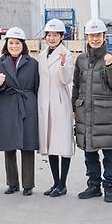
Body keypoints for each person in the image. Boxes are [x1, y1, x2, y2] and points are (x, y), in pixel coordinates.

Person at [73, 19, 112, 202]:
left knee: (109, 153)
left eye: (98, 35)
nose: (94, 39)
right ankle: (94, 185)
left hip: (106, 114)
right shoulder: (81, 60)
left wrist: (110, 67)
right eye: (91, 35)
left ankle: (109, 187)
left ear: (104, 37)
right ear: (87, 37)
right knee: (90, 152)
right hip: (85, 114)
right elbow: (76, 86)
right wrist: (75, 109)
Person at [0, 27, 40, 196]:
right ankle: (12, 184)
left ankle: (28, 185)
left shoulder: (33, 63)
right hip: (6, 105)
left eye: (17, 43)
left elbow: (36, 86)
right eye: (11, 43)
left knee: (27, 146)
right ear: (6, 44)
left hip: (27, 105)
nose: (14, 46)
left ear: (23, 45)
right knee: (9, 146)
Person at [37, 19, 75, 197]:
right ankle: (55, 182)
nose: (51, 38)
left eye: (55, 35)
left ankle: (63, 184)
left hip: (60, 104)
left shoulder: (67, 54)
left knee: (63, 144)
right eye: (49, 35)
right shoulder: (41, 55)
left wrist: (61, 64)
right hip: (45, 103)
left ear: (62, 36)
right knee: (50, 143)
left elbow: (66, 80)